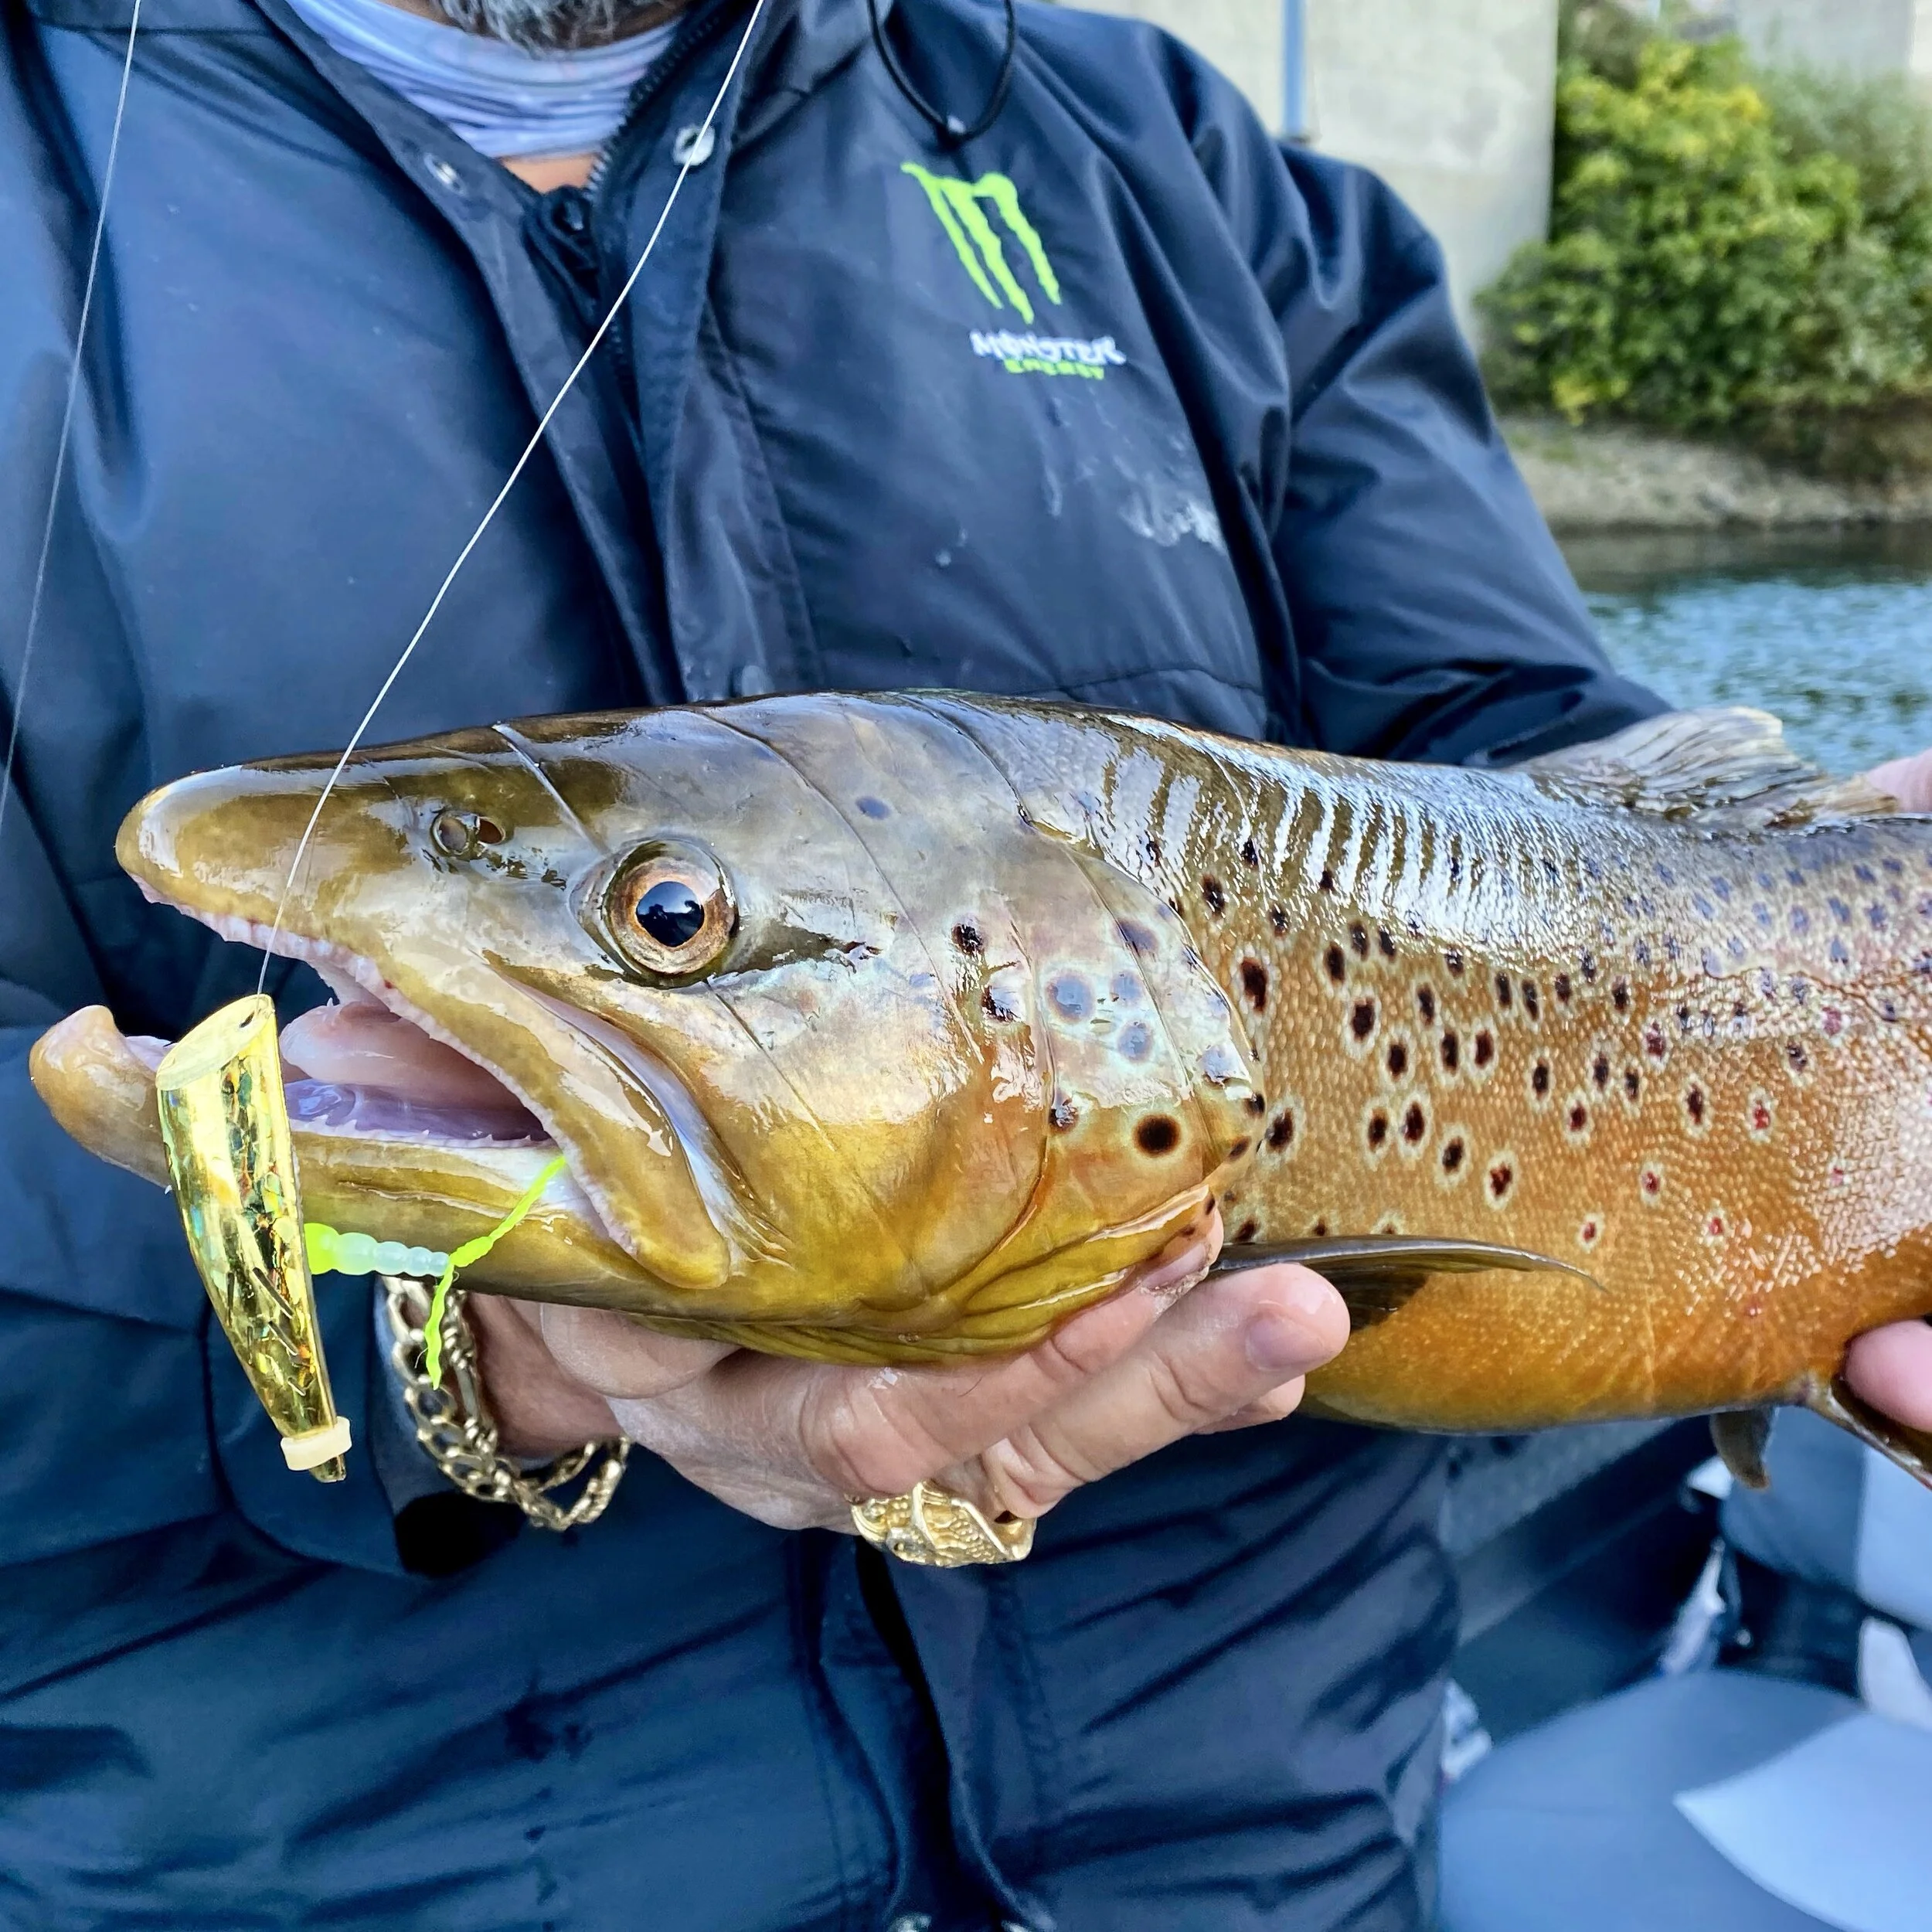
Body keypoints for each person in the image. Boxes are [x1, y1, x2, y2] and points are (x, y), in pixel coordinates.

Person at [2, 0, 1927, 1924]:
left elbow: (1501, 736)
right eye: (669, 925)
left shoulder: (1160, 151)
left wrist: (1824, 891)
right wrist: (433, 1341)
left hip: (1259, 1840)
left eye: (669, 923)